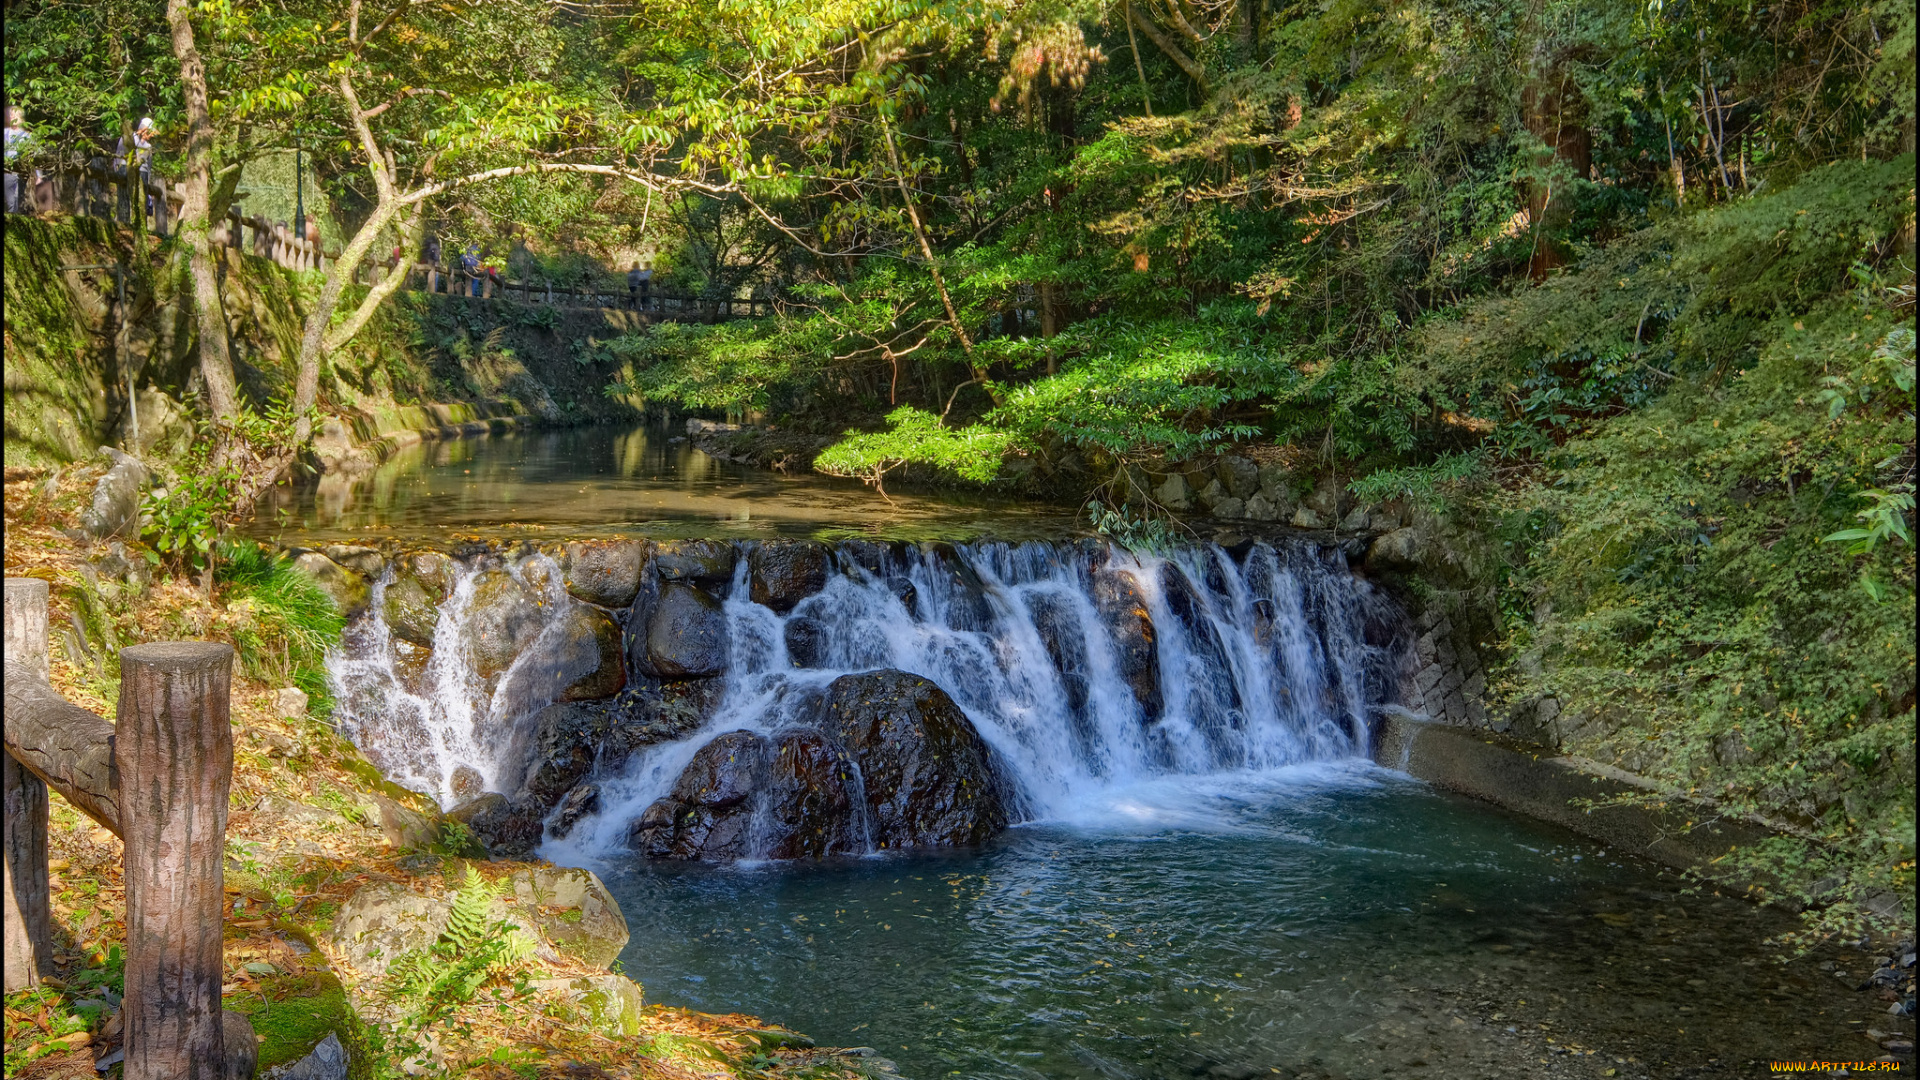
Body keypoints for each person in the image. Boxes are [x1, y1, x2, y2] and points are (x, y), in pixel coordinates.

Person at [113, 117, 157, 221]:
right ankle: (122, 223)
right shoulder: (127, 139)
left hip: (143, 175)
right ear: (144, 129)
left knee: (140, 203)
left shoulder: (148, 146)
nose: (151, 135)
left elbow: (149, 166)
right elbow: (118, 156)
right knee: (124, 199)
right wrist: (117, 172)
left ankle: (139, 226)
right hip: (125, 171)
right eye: (150, 132)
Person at [4, 108, 33, 214]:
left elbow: (36, 156)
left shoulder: (27, 136)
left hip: (20, 172)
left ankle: (14, 222)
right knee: (10, 201)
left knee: (15, 201)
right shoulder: (5, 133)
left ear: (21, 118)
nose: (12, 117)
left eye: (15, 115)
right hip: (6, 170)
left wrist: (39, 176)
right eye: (11, 114)